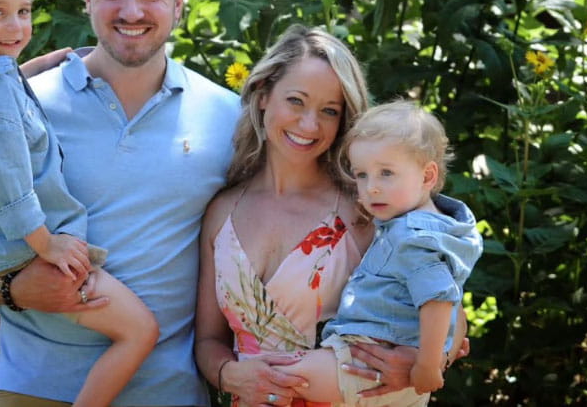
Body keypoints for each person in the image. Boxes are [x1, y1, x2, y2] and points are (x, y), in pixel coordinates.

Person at [0, 0, 242, 406]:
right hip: (31, 390)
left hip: (168, 394)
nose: (132, 10)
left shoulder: (229, 116)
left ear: (180, 3)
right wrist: (13, 290)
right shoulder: (23, 103)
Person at [0, 0, 159, 407]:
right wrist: (48, 245)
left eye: (23, 11)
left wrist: (34, 68)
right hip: (29, 251)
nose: (17, 27)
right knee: (140, 331)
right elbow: (10, 191)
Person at [194, 26, 453, 407]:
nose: (309, 124)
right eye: (296, 101)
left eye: (329, 111)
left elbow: (447, 303)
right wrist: (228, 374)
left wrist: (423, 362)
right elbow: (208, 341)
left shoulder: (364, 210)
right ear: (264, 94)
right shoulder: (222, 213)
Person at [277, 100, 483, 406]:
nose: (371, 187)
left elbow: (438, 298)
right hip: (398, 368)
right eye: (361, 175)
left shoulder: (412, 236)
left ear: (427, 177)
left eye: (386, 173)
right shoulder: (440, 228)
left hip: (369, 357)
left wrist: (426, 366)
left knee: (282, 375)